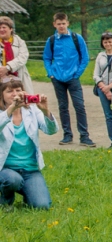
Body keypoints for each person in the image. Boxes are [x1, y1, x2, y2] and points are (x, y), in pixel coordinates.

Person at [0, 79, 56, 209]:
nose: (15, 94)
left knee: (41, 206)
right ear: (2, 94)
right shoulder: (2, 113)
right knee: (12, 179)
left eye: (18, 90)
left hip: (30, 170)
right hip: (5, 168)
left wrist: (45, 110)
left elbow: (52, 130)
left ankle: (28, 191)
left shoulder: (31, 110)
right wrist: (12, 108)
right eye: (10, 91)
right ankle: (5, 201)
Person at [42, 13, 94, 147]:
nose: (61, 26)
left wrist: (77, 74)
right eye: (58, 24)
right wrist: (51, 74)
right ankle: (67, 135)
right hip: (58, 78)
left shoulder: (77, 38)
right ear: (54, 24)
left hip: (73, 78)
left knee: (79, 106)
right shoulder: (52, 40)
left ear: (68, 23)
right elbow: (47, 58)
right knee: (63, 106)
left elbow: (85, 58)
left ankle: (84, 136)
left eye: (63, 23)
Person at [0, 16, 34, 93]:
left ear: (11, 29)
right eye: (0, 27)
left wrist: (8, 67)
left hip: (19, 76)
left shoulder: (20, 42)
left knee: (23, 100)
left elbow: (23, 57)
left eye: (4, 27)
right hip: (2, 78)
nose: (1, 29)